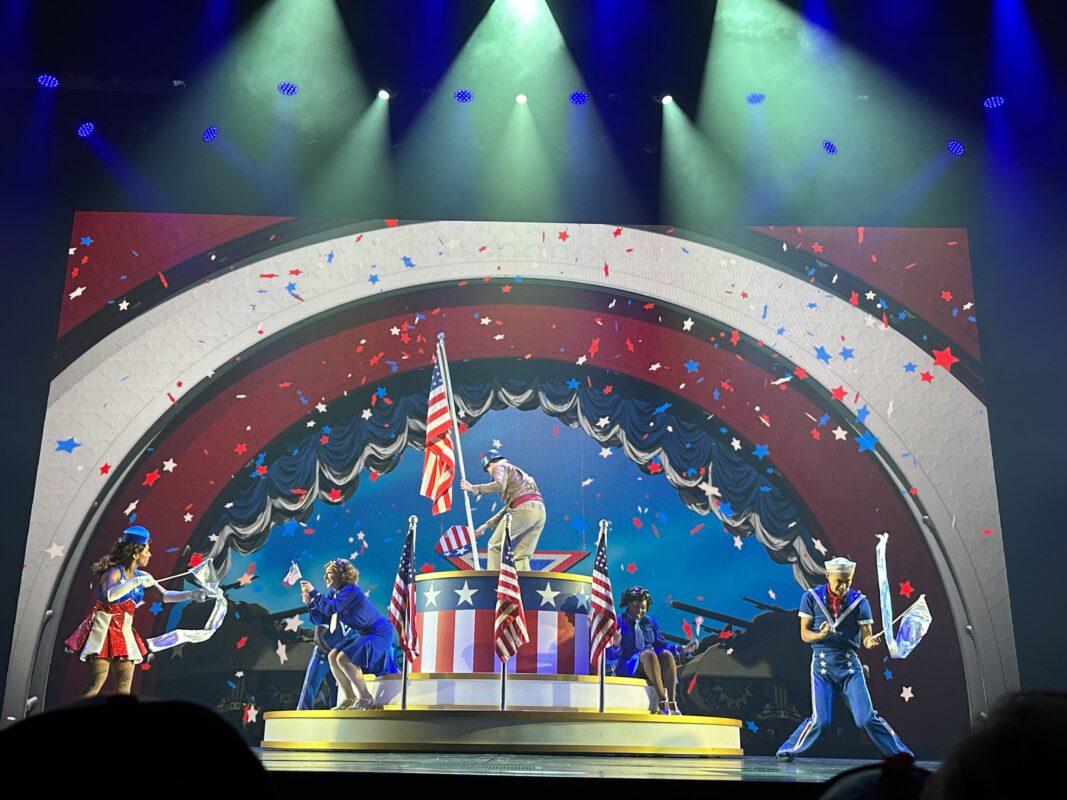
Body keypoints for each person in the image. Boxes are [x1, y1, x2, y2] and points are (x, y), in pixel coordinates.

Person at [776, 557, 912, 762]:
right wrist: (820, 635)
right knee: (821, 721)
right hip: (822, 664)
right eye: (839, 581)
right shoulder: (811, 597)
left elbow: (866, 638)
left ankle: (901, 753)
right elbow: (804, 634)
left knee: (865, 718)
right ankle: (788, 749)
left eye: (848, 581)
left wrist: (871, 641)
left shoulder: (859, 601)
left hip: (849, 665)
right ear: (828, 575)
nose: (843, 586)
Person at [64, 525, 208, 697]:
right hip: (102, 632)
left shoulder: (142, 576)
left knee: (124, 687)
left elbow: (165, 596)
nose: (150, 555)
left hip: (124, 633)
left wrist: (191, 594)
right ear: (135, 554)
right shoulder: (113, 572)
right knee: (96, 683)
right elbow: (109, 595)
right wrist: (136, 582)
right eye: (147, 551)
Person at [300, 558, 393, 710]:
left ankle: (365, 698)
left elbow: (331, 608)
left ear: (342, 575)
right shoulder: (334, 593)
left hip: (378, 632)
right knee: (333, 656)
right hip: (363, 633)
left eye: (329, 573)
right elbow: (321, 618)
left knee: (344, 658)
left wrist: (314, 593)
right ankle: (350, 698)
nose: (325, 577)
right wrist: (311, 603)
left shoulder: (351, 590)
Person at [607, 585, 697, 715]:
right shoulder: (619, 622)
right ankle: (662, 701)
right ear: (629, 604)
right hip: (630, 664)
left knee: (666, 655)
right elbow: (610, 656)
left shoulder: (650, 623)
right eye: (635, 607)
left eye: (643, 608)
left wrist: (683, 648)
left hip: (651, 663)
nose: (639, 611)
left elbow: (662, 645)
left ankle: (672, 702)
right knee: (649, 654)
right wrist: (615, 644)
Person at [459, 449, 546, 571]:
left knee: (495, 545)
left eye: (488, 470)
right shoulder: (518, 473)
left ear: (490, 464)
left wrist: (473, 488)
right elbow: (510, 507)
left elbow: (499, 485)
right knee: (521, 556)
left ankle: (492, 580)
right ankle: (525, 582)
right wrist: (486, 526)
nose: (490, 474)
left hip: (523, 510)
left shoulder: (498, 466)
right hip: (540, 512)